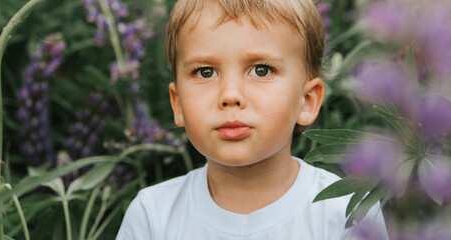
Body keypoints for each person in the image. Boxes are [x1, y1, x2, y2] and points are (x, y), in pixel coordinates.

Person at [116, 0, 388, 239]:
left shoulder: (347, 210)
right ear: (178, 104)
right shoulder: (153, 215)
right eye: (206, 72)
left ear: (307, 101)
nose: (230, 95)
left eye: (261, 70)